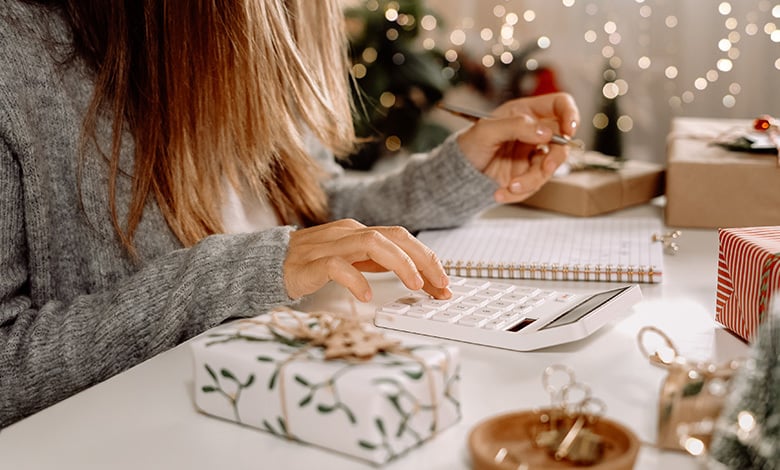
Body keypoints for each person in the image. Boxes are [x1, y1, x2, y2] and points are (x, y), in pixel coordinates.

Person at [0, 0, 579, 427]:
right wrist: (241, 272)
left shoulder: (262, 33)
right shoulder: (19, 59)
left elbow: (315, 214)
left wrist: (463, 168)